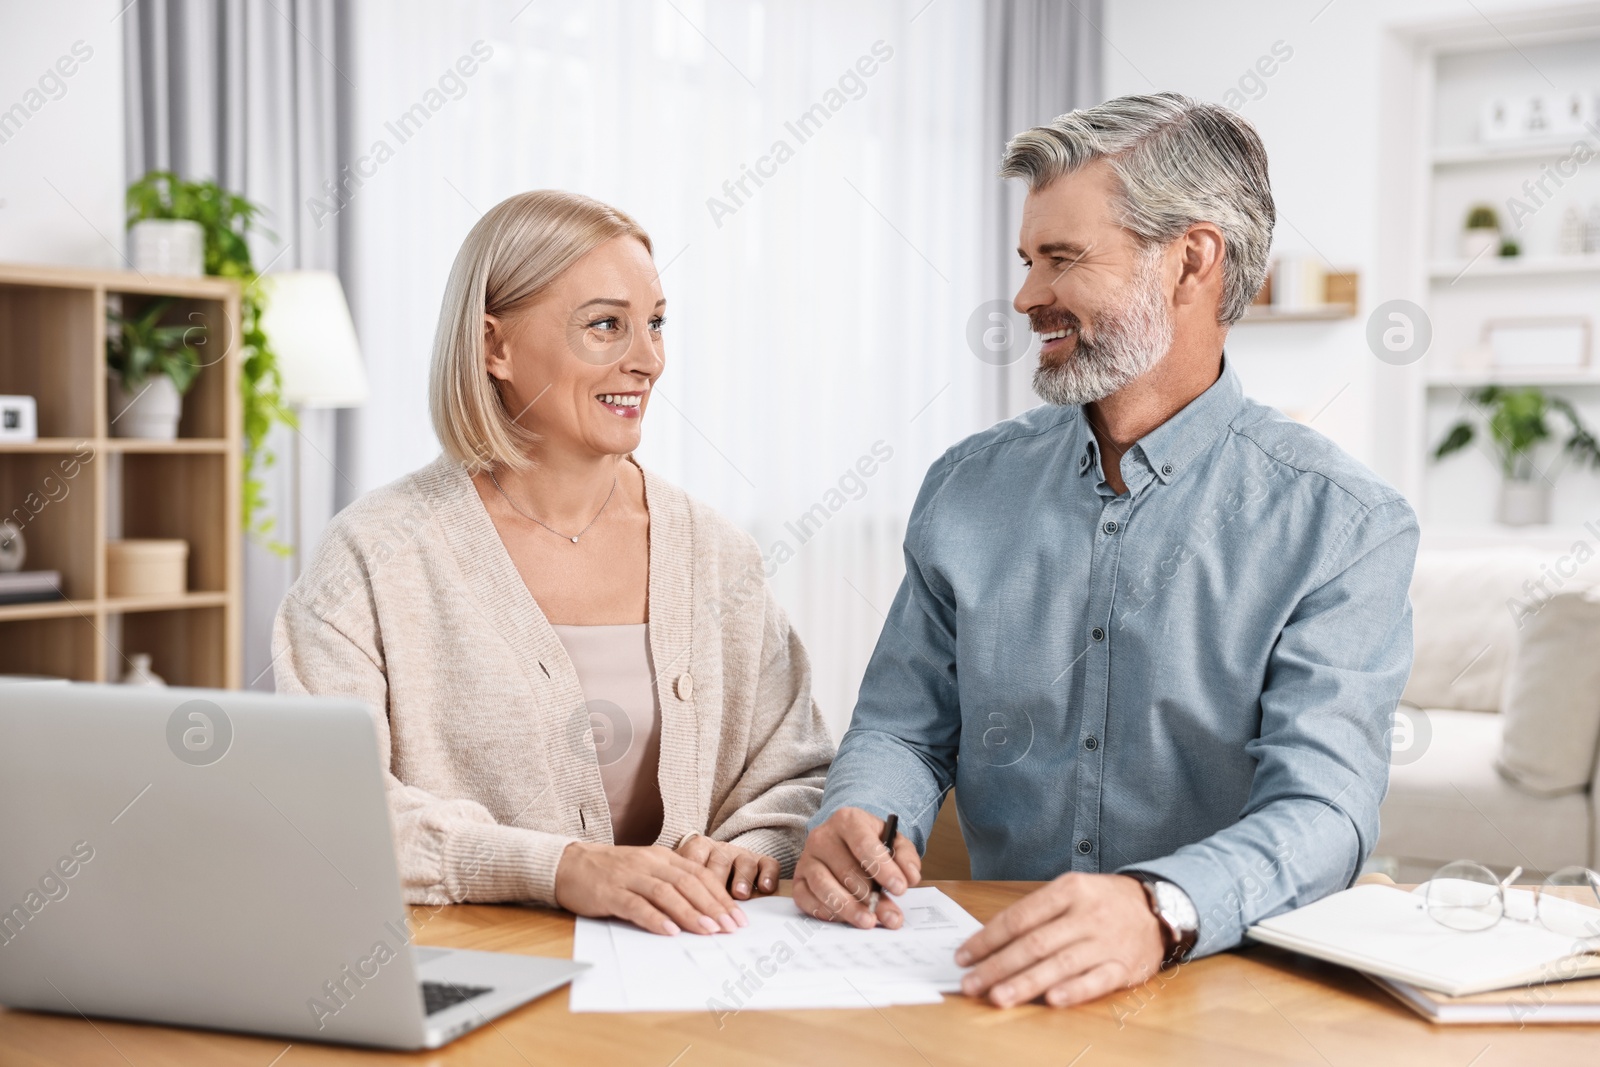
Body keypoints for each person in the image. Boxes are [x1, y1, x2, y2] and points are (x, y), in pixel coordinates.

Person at [794, 92, 1420, 1008]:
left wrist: (1158, 908)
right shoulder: (966, 489)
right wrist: (861, 813)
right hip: (983, 983)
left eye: (1062, 258)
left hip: (1226, 985)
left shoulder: (1344, 523)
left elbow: (1324, 811)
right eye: (1025, 259)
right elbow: (902, 728)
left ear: (1190, 261)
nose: (1023, 296)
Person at [274, 190, 834, 939]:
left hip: (695, 970)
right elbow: (331, 807)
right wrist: (561, 868)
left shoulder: (717, 553)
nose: (649, 360)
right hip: (468, 978)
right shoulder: (374, 554)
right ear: (492, 346)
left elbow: (797, 773)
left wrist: (750, 851)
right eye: (607, 324)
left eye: (656, 323)